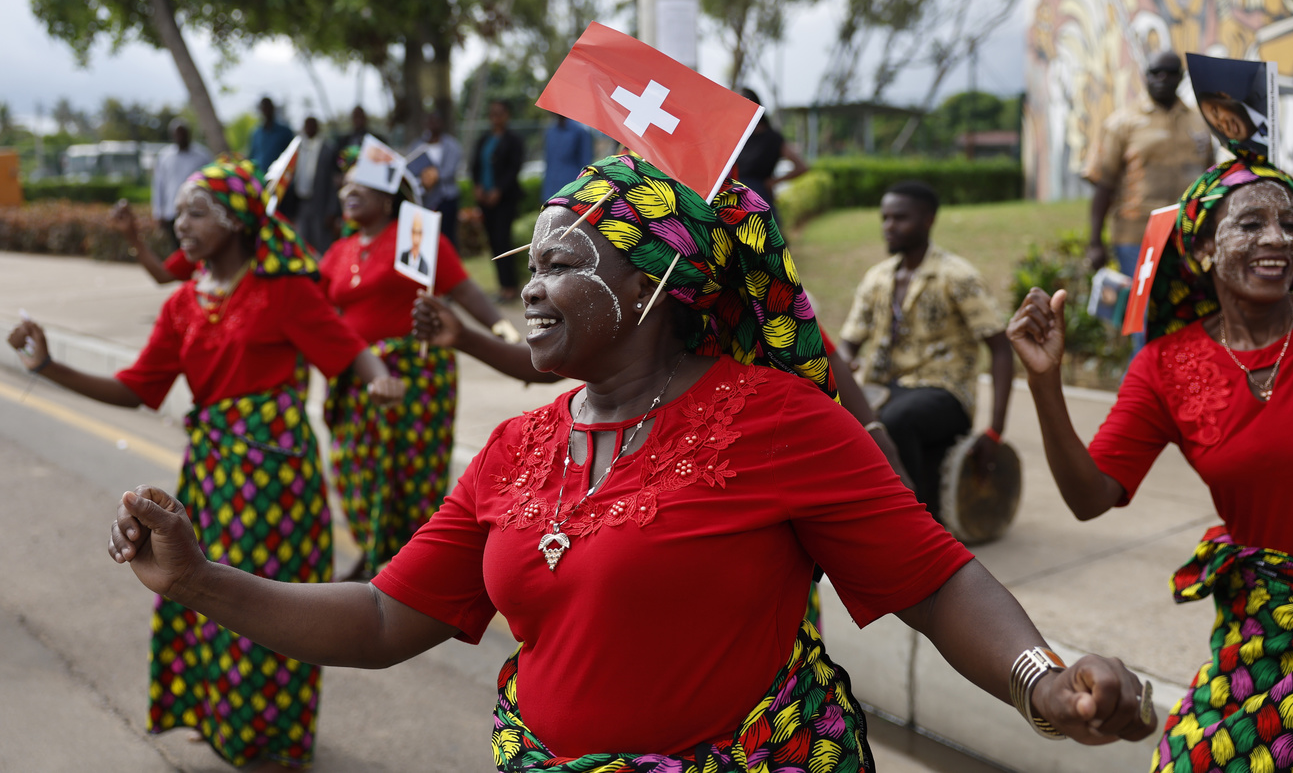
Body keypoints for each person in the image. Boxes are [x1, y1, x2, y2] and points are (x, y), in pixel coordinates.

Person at [107, 154, 1157, 771]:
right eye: (529, 259)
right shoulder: (517, 448)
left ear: (655, 288)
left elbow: (934, 579)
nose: (528, 284)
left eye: (563, 262)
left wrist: (1042, 682)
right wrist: (198, 578)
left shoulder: (773, 418)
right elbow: (384, 619)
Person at [11, 159, 404, 771]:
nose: (179, 224)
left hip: (276, 477)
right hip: (212, 472)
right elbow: (137, 387)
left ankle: (273, 738)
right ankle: (222, 715)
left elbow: (351, 354)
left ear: (236, 220)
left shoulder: (282, 289)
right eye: (180, 212)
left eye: (197, 212)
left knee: (272, 600)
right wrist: (47, 366)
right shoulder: (183, 304)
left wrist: (382, 380)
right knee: (205, 587)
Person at [1008, 153, 1293, 773]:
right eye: (1250, 224)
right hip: (1267, 626)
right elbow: (1091, 496)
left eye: (1292, 225)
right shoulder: (1168, 365)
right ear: (1201, 249)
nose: (1276, 238)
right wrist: (1045, 385)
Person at [319, 162, 510, 579]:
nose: (349, 191)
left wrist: (502, 327)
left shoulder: (416, 238)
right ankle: (373, 549)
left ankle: (413, 561)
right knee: (355, 469)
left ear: (387, 200)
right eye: (346, 185)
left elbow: (464, 289)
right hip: (358, 381)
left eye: (362, 187)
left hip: (415, 377)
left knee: (412, 471)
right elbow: (315, 311)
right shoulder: (339, 250)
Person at [838, 180, 1013, 520]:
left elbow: (1001, 348)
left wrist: (994, 430)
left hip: (945, 391)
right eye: (885, 217)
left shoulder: (957, 276)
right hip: (886, 388)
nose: (889, 227)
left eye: (900, 218)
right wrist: (843, 368)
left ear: (928, 219)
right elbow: (846, 345)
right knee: (846, 418)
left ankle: (913, 523)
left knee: (894, 421)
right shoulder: (876, 278)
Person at [1083, 50, 1215, 354]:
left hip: (1187, 235)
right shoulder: (1122, 123)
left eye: (1170, 73)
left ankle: (1170, 392)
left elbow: (1208, 183)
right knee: (1146, 319)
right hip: (1136, 236)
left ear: (1181, 78)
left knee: (1186, 315)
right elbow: (1103, 185)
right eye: (1155, 73)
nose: (1162, 79)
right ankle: (1141, 394)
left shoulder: (1200, 122)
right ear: (1145, 76)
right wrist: (1095, 241)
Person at [471, 98, 525, 302]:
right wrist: (477, 186)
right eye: (492, 113)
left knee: (504, 240)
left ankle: (510, 286)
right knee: (493, 241)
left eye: (499, 113)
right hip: (485, 200)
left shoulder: (513, 140)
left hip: (504, 199)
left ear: (507, 115)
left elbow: (514, 168)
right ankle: (502, 285)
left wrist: (499, 190)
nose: (495, 118)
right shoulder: (484, 139)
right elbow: (475, 165)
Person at [734, 87, 808, 227]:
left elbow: (802, 167)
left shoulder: (772, 138)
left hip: (758, 200)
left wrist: (773, 182)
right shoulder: (736, 136)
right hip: (733, 203)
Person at [278, 115, 341, 255]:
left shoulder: (327, 149)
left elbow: (333, 183)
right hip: (302, 202)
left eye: (311, 125)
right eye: (306, 125)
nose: (308, 128)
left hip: (320, 203)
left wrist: (332, 210)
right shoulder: (299, 147)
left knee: (322, 244)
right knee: (304, 242)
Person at [151, 118, 212, 250]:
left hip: (196, 211)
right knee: (177, 248)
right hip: (171, 211)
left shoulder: (203, 156)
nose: (180, 137)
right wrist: (158, 212)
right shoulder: (164, 156)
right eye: (177, 134)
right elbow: (158, 186)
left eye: (183, 133)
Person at [407, 110, 463, 248]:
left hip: (446, 198)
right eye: (429, 121)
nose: (432, 124)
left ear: (442, 123)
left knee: (448, 237)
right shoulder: (417, 145)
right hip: (425, 200)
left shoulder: (451, 145)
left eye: (435, 121)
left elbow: (451, 170)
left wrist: (434, 176)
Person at [540, 114, 592, 201]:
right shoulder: (550, 132)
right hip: (551, 189)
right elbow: (549, 162)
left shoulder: (579, 132)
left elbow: (585, 162)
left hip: (572, 189)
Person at [247, 97, 295, 176]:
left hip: (279, 180)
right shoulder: (256, 133)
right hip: (260, 180)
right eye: (264, 108)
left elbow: (291, 157)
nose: (266, 111)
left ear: (273, 109)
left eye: (268, 107)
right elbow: (252, 156)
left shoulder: (285, 132)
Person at [397, 211, 430, 276]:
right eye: (414, 232)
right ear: (411, 233)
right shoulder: (403, 256)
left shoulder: (425, 266)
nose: (416, 239)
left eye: (419, 233)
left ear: (422, 235)